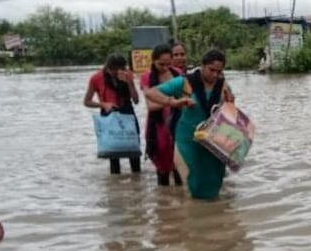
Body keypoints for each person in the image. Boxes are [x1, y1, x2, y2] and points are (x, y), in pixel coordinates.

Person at [144, 48, 235, 200]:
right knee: (191, 189)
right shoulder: (185, 82)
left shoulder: (223, 85)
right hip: (187, 142)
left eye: (219, 72)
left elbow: (229, 114)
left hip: (214, 143)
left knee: (214, 187)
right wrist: (173, 102)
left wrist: (230, 103)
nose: (215, 75)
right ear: (202, 65)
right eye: (211, 70)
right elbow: (150, 93)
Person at [83, 53, 141, 175]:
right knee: (113, 156)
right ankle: (116, 182)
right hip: (109, 115)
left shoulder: (127, 75)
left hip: (127, 113)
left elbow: (136, 100)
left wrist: (130, 83)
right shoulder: (96, 78)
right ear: (107, 67)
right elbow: (87, 102)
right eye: (113, 69)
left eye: (120, 69)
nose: (116, 72)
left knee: (134, 152)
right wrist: (103, 104)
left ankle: (136, 180)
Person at [140, 44, 181, 186]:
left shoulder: (178, 73)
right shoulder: (146, 77)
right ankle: (164, 195)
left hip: (177, 121)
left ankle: (177, 196)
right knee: (161, 162)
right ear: (153, 61)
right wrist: (172, 102)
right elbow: (150, 105)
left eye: (168, 64)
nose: (165, 67)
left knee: (178, 162)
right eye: (161, 64)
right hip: (158, 124)